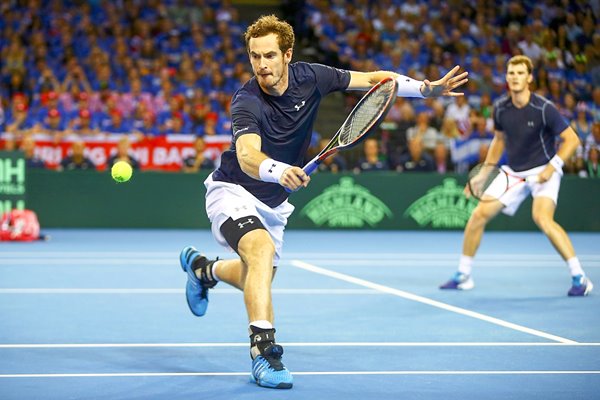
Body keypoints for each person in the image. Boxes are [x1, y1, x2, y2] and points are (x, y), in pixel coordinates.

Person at [178, 15, 467, 390]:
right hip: (233, 191)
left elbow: (375, 80)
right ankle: (264, 353)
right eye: (254, 56)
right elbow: (248, 155)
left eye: (269, 56)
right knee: (260, 250)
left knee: (258, 276)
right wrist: (278, 170)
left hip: (274, 203)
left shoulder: (312, 76)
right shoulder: (246, 99)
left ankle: (203, 270)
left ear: (287, 54)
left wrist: (425, 90)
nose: (262, 65)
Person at [440, 55, 593, 297]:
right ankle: (463, 275)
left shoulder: (544, 108)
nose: (514, 77)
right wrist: (485, 173)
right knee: (478, 215)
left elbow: (572, 140)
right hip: (513, 173)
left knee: (542, 218)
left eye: (520, 73)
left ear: (529, 78)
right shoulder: (500, 108)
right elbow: (499, 141)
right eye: (511, 73)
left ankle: (580, 277)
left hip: (545, 168)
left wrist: (551, 168)